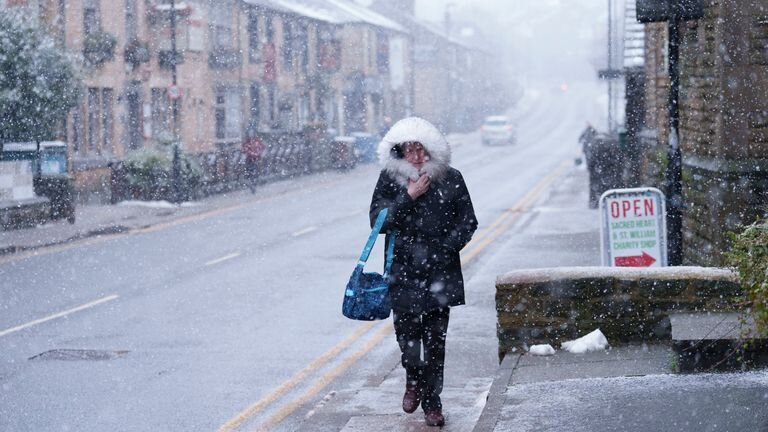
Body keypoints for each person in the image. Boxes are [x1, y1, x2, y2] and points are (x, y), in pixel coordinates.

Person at [369, 117, 477, 427]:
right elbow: (377, 221)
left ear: (432, 151)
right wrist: (409, 196)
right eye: (409, 150)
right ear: (399, 153)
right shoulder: (390, 180)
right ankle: (412, 378)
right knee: (407, 337)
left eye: (421, 149)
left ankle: (433, 403)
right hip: (402, 273)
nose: (416, 156)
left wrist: (445, 248)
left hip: (439, 274)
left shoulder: (451, 179)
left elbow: (468, 221)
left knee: (435, 342)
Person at [242, 129, 265, 193]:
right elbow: (245, 149)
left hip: (253, 159)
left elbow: (262, 147)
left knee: (253, 171)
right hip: (252, 159)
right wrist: (255, 153)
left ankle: (252, 183)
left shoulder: (252, 141)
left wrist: (255, 153)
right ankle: (252, 183)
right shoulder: (252, 141)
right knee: (252, 171)